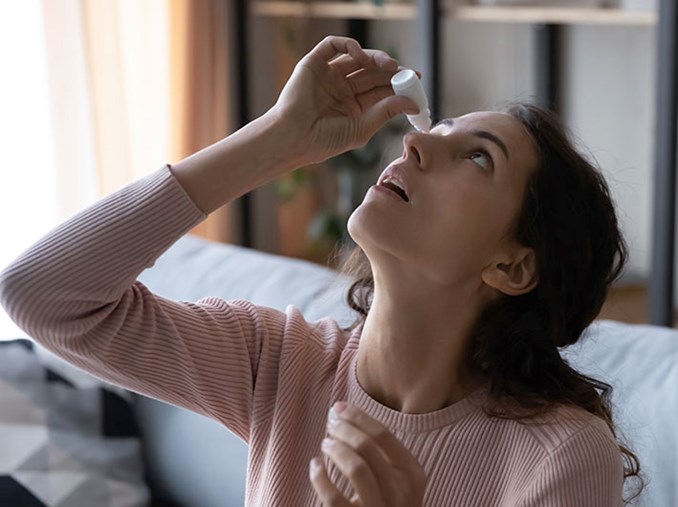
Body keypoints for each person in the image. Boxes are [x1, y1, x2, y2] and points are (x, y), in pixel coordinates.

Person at [0, 36, 642, 506]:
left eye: (476, 159)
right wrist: (280, 136)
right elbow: (41, 296)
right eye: (436, 128)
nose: (414, 142)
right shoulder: (282, 364)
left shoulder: (560, 458)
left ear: (512, 264)